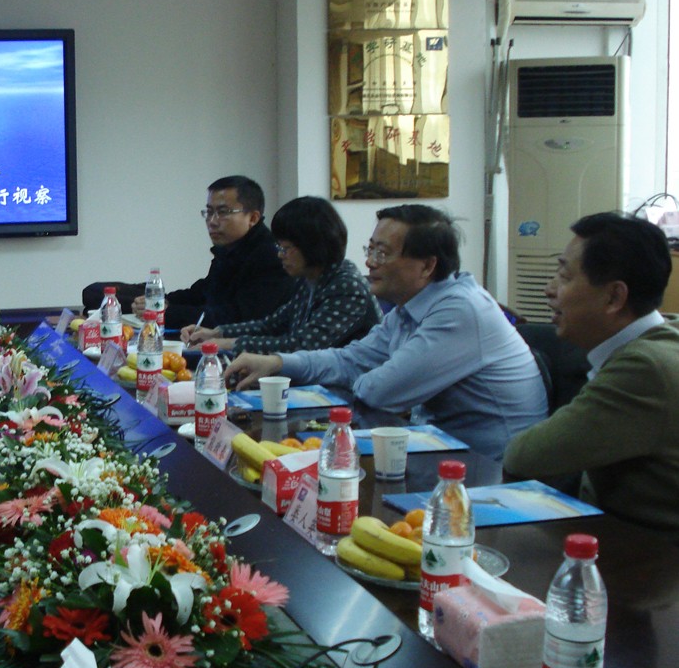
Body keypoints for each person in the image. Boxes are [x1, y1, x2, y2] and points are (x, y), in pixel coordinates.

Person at [224, 204, 547, 460]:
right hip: (436, 446)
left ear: (427, 266)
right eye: (370, 249)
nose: (369, 262)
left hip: (489, 467)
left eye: (382, 253)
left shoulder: (459, 311)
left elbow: (379, 391)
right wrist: (278, 363)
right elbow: (351, 359)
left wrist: (358, 374)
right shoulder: (409, 306)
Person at [504, 212, 679, 532]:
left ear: (614, 297)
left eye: (565, 277)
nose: (549, 289)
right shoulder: (661, 339)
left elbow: (524, 457)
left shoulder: (643, 370)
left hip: (650, 555)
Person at [81, 176, 295, 330]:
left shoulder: (271, 256)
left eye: (223, 212)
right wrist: (159, 302)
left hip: (239, 349)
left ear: (253, 218)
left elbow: (236, 318)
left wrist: (166, 312)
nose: (212, 221)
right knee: (97, 293)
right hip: (207, 328)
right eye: (209, 212)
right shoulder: (231, 248)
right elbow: (202, 293)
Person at [180, 196, 379, 353]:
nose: (280, 255)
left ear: (312, 246)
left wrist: (231, 344)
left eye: (286, 248)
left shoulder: (346, 286)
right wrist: (216, 333)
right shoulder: (310, 278)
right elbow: (273, 324)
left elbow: (303, 345)